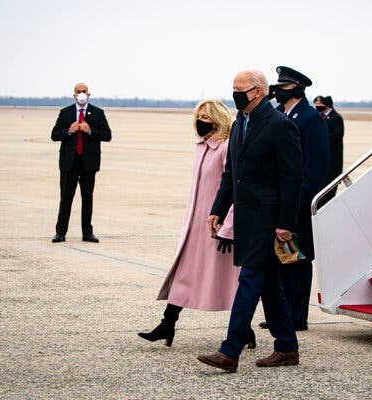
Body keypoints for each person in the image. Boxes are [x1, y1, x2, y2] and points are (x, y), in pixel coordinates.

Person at [197, 69, 302, 373]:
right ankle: (287, 347)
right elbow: (232, 174)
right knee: (270, 286)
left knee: (249, 281)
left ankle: (229, 351)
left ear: (257, 91)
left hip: (269, 221)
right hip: (246, 219)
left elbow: (292, 179)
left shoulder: (279, 125)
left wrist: (285, 223)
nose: (235, 93)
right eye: (233, 88)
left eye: (240, 88)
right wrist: (218, 209)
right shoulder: (239, 124)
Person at [138, 100, 256, 348]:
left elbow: (236, 188)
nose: (200, 121)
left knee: (229, 282)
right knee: (184, 274)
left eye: (206, 116)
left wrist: (229, 227)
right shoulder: (200, 146)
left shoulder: (225, 147)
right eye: (198, 116)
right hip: (194, 225)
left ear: (218, 119)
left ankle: (244, 331)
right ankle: (167, 325)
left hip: (217, 228)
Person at [258, 66, 329, 331]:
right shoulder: (279, 114)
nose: (278, 90)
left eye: (284, 86)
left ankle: (297, 316)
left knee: (298, 259)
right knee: (279, 259)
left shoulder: (310, 119)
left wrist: (299, 205)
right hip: (278, 202)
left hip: (297, 203)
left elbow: (316, 168)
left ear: (298, 88)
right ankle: (281, 312)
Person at [51, 83, 112, 243]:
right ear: (74, 95)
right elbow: (54, 135)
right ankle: (60, 232)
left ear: (88, 94)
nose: (81, 94)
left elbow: (107, 135)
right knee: (65, 199)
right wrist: (69, 131)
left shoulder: (97, 113)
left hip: (88, 164)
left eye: (84, 91)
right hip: (69, 163)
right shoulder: (65, 113)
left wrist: (90, 130)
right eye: (79, 92)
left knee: (87, 198)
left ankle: (87, 233)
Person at [314, 95, 344, 200]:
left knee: (330, 192)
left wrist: (321, 136)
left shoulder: (336, 118)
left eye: (320, 104)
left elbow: (337, 135)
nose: (317, 106)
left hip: (333, 160)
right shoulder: (320, 116)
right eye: (316, 104)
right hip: (322, 160)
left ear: (326, 104)